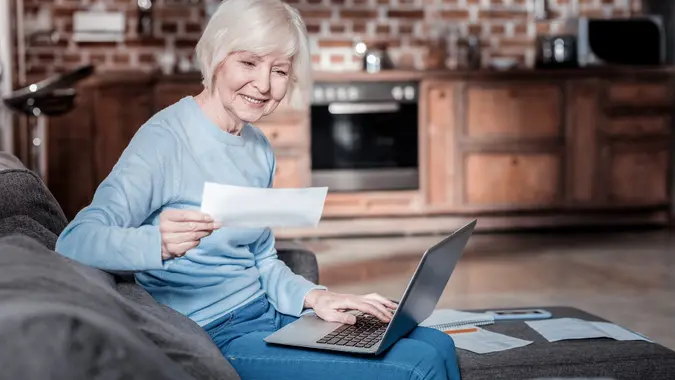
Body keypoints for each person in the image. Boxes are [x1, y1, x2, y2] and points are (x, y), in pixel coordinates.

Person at [55, 0, 461, 378]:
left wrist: (315, 297)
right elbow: (75, 241)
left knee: (437, 344)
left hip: (270, 315)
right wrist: (153, 242)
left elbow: (263, 260)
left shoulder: (257, 148)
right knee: (418, 365)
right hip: (216, 334)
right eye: (248, 62)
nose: (264, 85)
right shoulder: (164, 140)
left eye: (280, 70)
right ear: (215, 57)